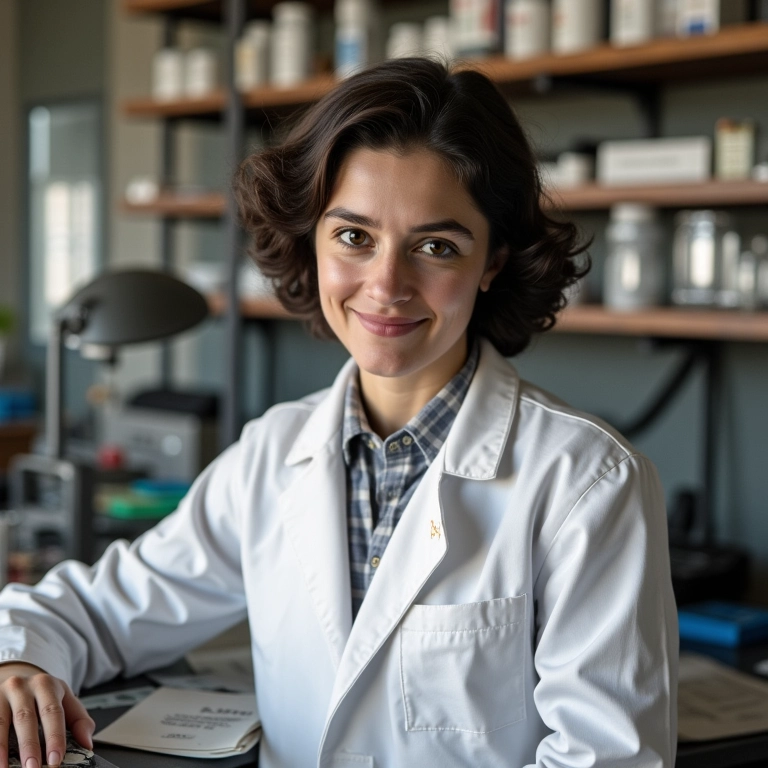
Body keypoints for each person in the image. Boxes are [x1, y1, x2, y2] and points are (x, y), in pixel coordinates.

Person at [0, 58, 677, 768]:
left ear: (493, 263)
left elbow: (609, 758)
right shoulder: (272, 454)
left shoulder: (586, 483)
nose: (386, 285)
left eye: (436, 246)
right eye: (354, 237)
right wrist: (18, 662)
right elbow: (102, 612)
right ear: (312, 240)